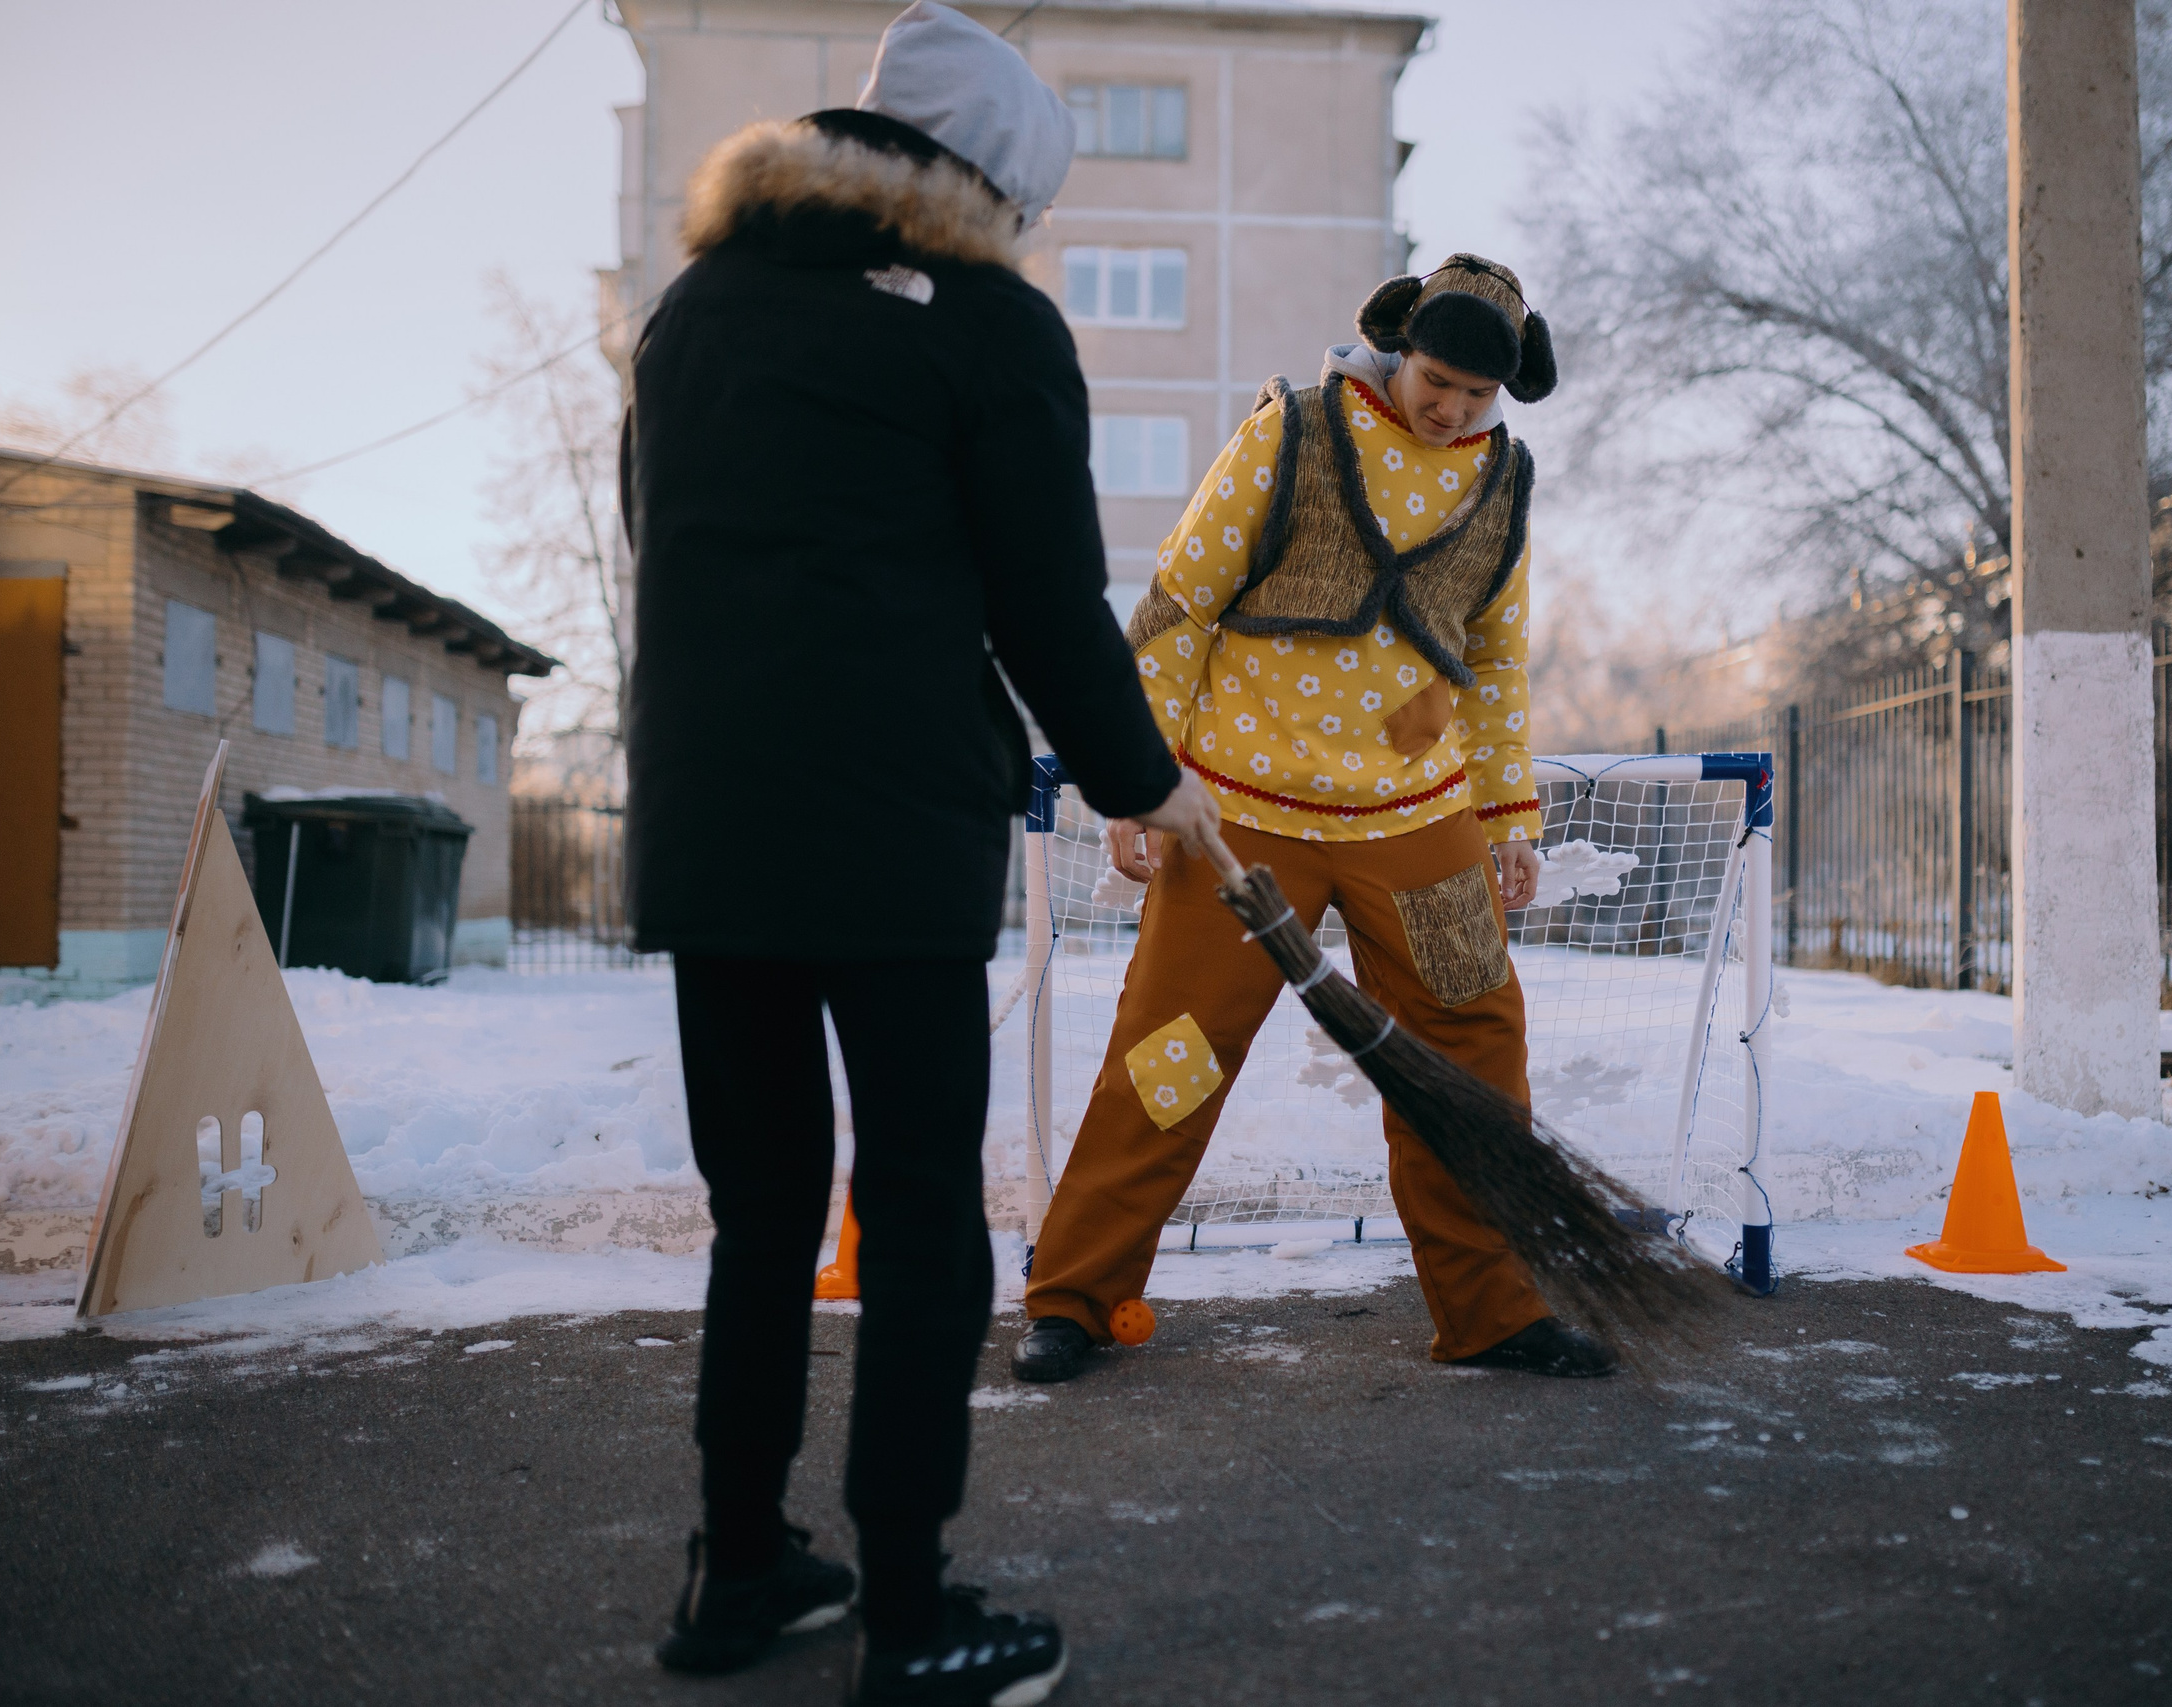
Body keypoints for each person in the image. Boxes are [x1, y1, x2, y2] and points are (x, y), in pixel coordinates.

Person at [619, 4, 1216, 1700]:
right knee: (923, 1217)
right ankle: (910, 1611)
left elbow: (663, 545)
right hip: (889, 833)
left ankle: (740, 1566)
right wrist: (1145, 780)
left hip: (713, 823)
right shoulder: (987, 322)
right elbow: (1045, 597)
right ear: (991, 186)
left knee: (760, 1213)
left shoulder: (693, 310)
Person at [1014, 255, 1620, 1386]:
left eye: (1476, 394)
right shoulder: (1291, 431)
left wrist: (1507, 816)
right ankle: (1075, 1300)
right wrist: (1134, 780)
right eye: (1436, 381)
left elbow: (1493, 658)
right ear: (1400, 351)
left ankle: (1494, 1313)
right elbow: (1181, 601)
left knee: (1474, 1054)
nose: (1451, 409)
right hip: (1240, 812)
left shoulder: (1505, 481)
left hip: (1420, 814)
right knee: (1169, 1053)